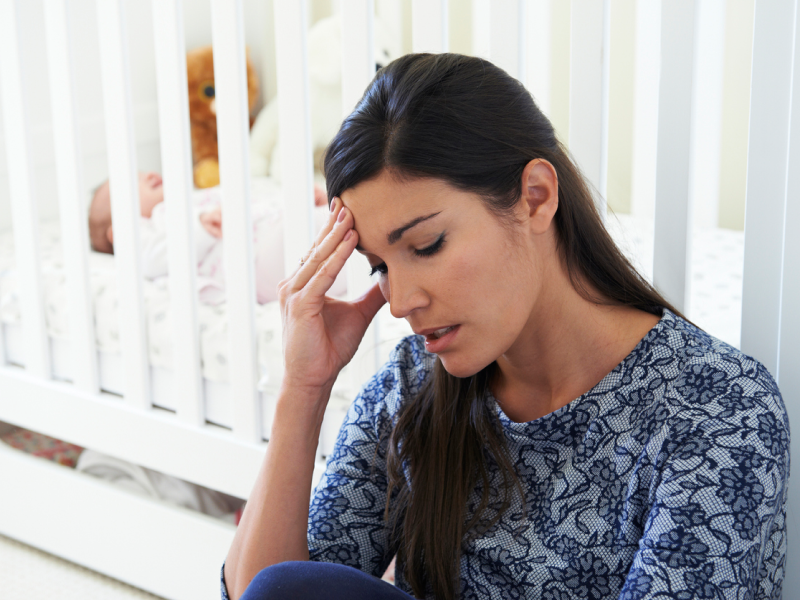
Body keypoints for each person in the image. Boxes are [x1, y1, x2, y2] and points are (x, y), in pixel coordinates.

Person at [221, 54, 789, 600]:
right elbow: (266, 593)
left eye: (427, 245)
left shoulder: (718, 408)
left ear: (535, 197)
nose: (400, 302)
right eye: (380, 267)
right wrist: (304, 389)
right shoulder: (412, 387)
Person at [87, 172, 343, 304]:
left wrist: (294, 204)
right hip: (255, 262)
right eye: (132, 183)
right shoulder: (148, 230)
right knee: (328, 231)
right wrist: (200, 228)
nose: (147, 175)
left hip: (267, 234)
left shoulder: (192, 200)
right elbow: (152, 258)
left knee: (328, 228)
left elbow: (252, 209)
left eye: (141, 172)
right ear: (118, 234)